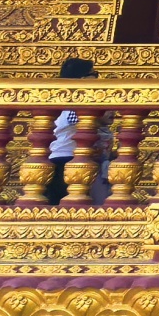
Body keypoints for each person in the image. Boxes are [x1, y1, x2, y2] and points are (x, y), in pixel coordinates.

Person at [45, 56, 97, 205]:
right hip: (65, 157)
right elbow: (81, 121)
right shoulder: (72, 103)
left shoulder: (60, 99)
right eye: (93, 74)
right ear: (82, 78)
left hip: (58, 156)